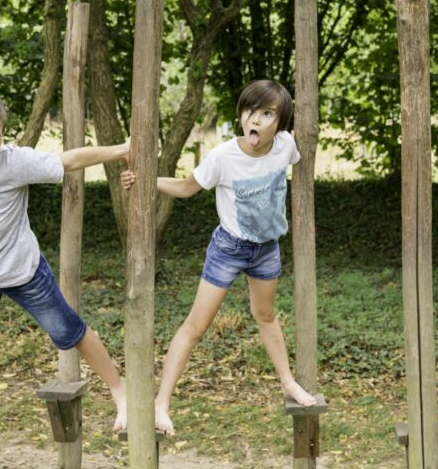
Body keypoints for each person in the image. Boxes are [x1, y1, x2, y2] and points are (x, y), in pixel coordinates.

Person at [0, 86, 132, 434]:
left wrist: (122, 149)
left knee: (70, 330)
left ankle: (121, 394)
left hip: (23, 272)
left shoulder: (14, 163)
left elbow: (70, 160)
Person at [132, 79, 318, 436]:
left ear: (280, 123)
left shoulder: (285, 147)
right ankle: (161, 403)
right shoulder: (222, 156)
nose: (257, 120)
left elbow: (298, 139)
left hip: (266, 249)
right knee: (196, 326)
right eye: (251, 111)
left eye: (268, 114)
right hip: (229, 249)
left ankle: (288, 382)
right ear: (241, 115)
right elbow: (187, 189)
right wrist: (145, 180)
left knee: (265, 316)